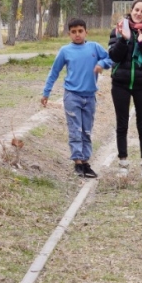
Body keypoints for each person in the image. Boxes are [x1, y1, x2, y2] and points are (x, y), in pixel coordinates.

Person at [41, 18, 110, 178]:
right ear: (69, 34)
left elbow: (110, 58)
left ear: (86, 32)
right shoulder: (65, 51)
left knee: (86, 129)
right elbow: (54, 72)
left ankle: (86, 161)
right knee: (75, 129)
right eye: (74, 32)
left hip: (90, 96)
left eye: (80, 31)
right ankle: (78, 162)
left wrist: (101, 64)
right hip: (72, 96)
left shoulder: (94, 47)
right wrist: (46, 92)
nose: (77, 35)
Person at [105, 0, 142, 180]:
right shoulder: (119, 29)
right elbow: (113, 55)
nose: (139, 13)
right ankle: (123, 163)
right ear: (131, 10)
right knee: (122, 124)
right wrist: (123, 39)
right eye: (136, 10)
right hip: (120, 84)